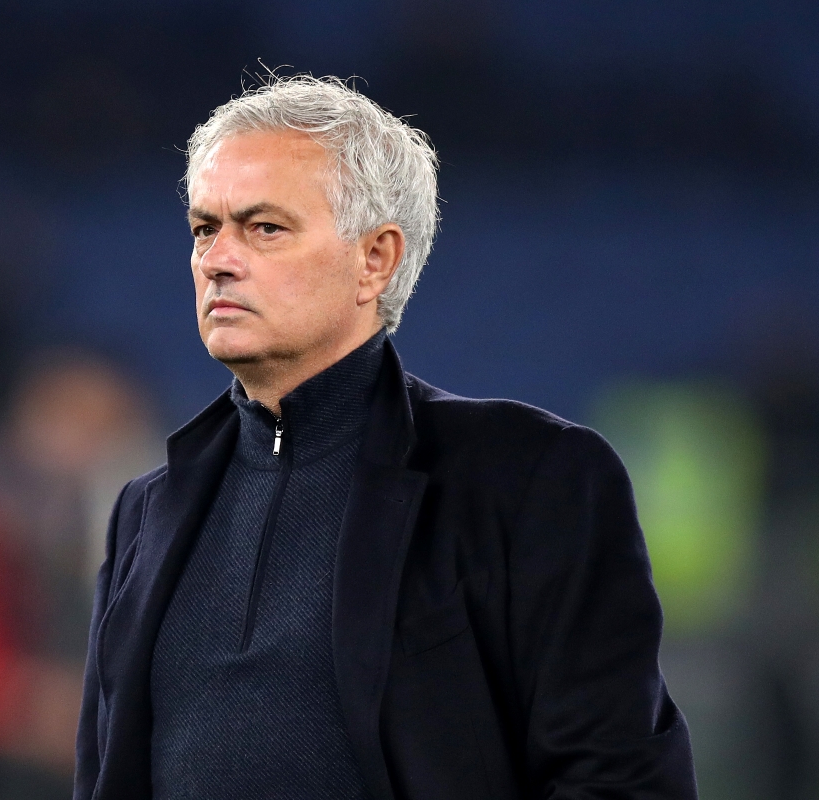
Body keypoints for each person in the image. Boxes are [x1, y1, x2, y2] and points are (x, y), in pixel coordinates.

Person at [75, 75, 697, 800]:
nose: (217, 259)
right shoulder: (145, 512)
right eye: (205, 228)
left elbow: (617, 778)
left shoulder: (529, 478)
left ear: (376, 259)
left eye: (264, 228)